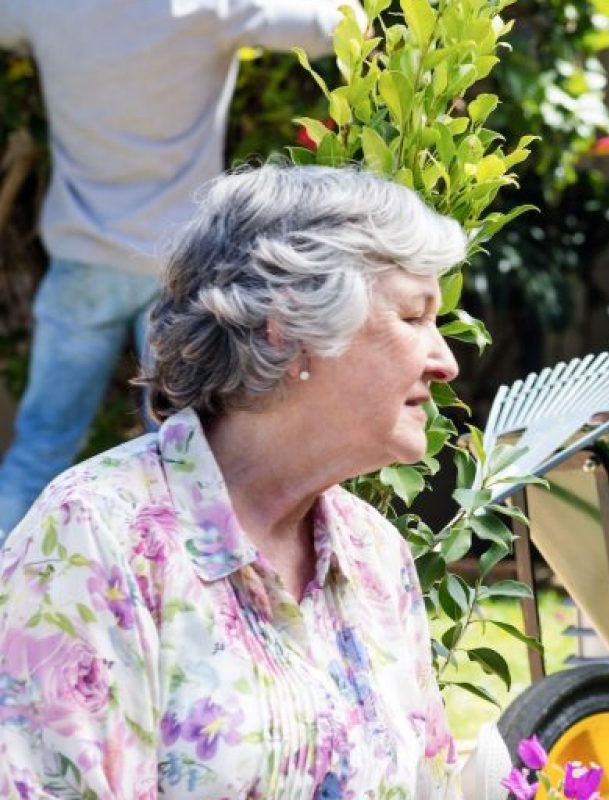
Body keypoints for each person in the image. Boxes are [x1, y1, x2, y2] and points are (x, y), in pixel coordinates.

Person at [0, 164, 509, 797]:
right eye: (412, 318)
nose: (446, 360)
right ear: (289, 327)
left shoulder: (375, 554)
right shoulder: (96, 539)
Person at [0, 0, 353, 540]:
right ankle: (201, 607)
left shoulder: (50, 9)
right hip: (179, 270)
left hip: (84, 263)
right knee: (186, 456)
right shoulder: (207, 7)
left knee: (39, 447)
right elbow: (343, 23)